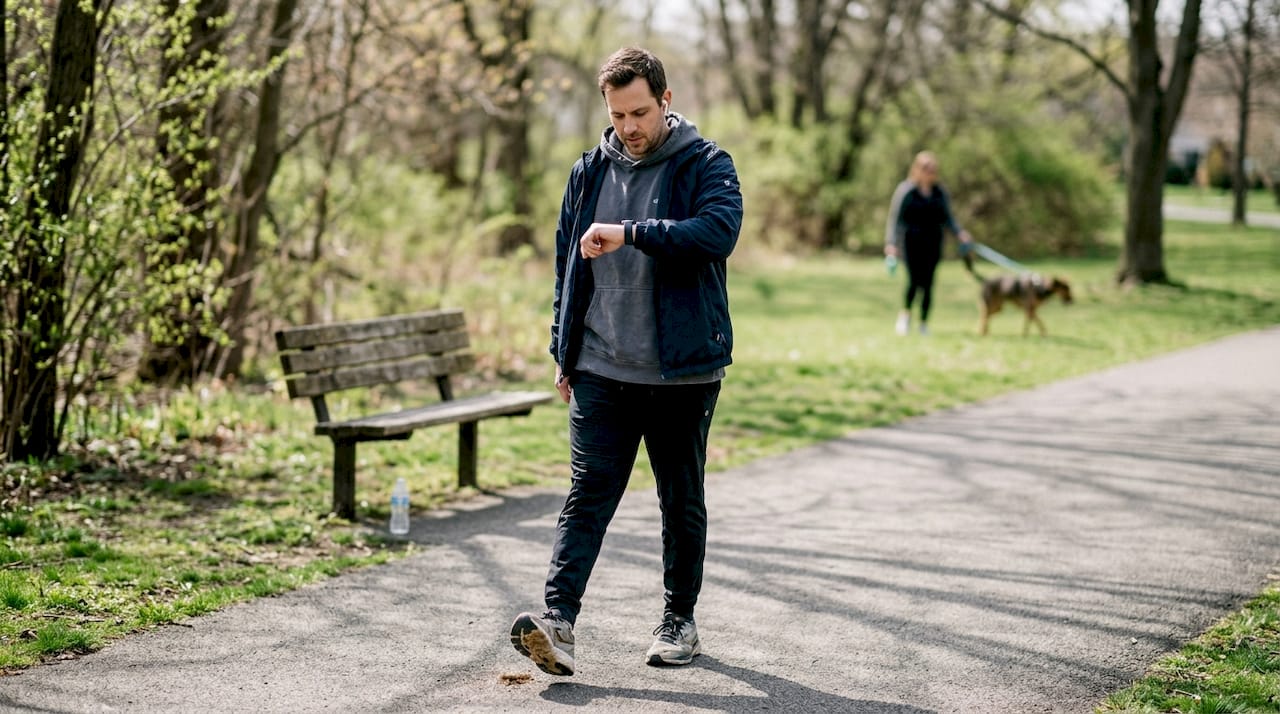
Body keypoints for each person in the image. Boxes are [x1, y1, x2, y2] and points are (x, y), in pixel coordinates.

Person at [509, 47, 743, 676]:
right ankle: (557, 623)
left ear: (665, 100)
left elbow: (718, 233)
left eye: (639, 112)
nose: (629, 127)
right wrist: (564, 350)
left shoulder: (706, 163)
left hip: (681, 373)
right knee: (587, 493)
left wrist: (632, 231)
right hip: (600, 369)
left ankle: (679, 621)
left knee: (679, 499)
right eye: (617, 116)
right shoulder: (587, 172)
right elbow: (566, 266)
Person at [884, 151, 973, 336]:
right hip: (910, 242)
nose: (930, 173)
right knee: (914, 281)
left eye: (933, 170)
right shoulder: (906, 190)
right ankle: (905, 315)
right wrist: (890, 244)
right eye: (926, 169)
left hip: (933, 242)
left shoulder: (939, 192)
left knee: (929, 283)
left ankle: (924, 322)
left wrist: (960, 233)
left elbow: (948, 218)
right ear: (917, 169)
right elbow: (895, 219)